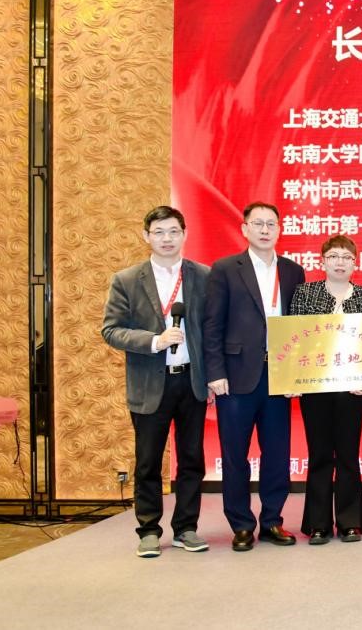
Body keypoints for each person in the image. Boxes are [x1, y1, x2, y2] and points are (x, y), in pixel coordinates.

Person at [101, 206, 211, 558]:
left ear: (185, 234)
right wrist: (154, 341)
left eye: (174, 231)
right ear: (146, 236)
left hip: (191, 382)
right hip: (150, 383)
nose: (167, 239)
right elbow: (111, 330)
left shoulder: (203, 276)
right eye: (159, 232)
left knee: (192, 460)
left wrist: (212, 376)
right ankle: (148, 530)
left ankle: (186, 528)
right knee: (148, 461)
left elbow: (213, 330)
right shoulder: (127, 279)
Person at [203, 201, 306, 552]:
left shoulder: (292, 271)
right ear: (244, 228)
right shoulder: (225, 269)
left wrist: (297, 375)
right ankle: (242, 525)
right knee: (235, 454)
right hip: (236, 377)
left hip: (278, 375)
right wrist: (215, 372)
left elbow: (299, 327)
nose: (264, 230)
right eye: (257, 223)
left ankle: (273, 520)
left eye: (271, 224)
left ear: (279, 229)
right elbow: (212, 324)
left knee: (277, 453)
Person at [287, 235, 362, 545]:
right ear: (322, 261)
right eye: (334, 256)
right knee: (320, 454)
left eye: (346, 257)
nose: (340, 262)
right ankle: (318, 523)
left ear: (355, 263)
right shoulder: (305, 293)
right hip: (315, 387)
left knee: (349, 454)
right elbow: (295, 339)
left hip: (353, 388)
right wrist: (293, 380)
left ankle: (351, 522)